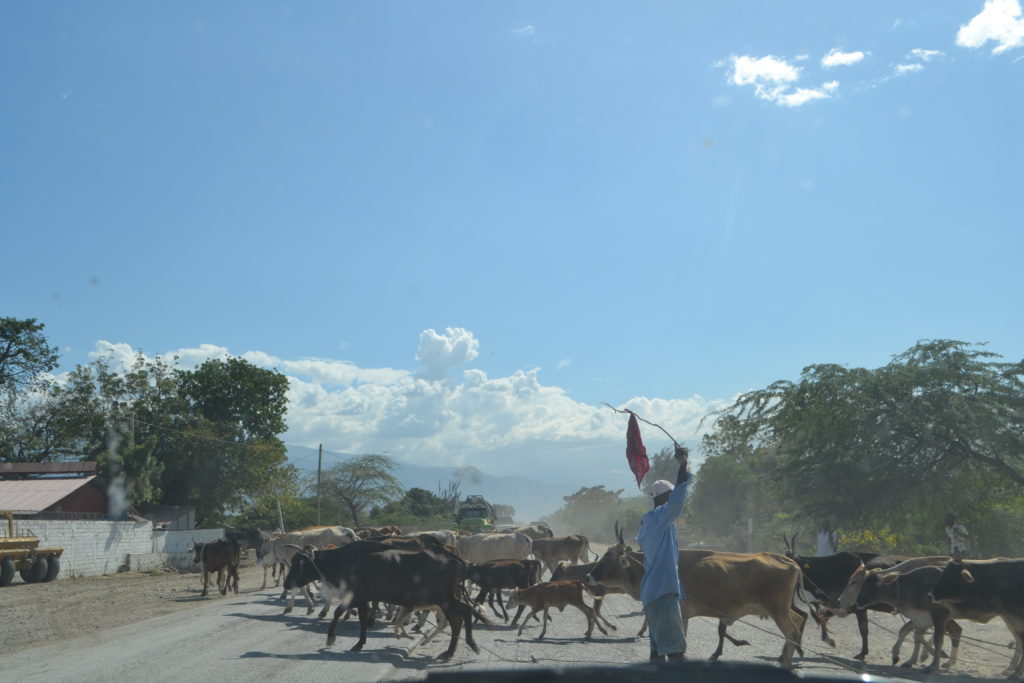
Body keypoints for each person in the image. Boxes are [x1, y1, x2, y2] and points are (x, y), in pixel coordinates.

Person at [636, 444, 690, 662]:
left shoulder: (650, 523)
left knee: (657, 654)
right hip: (663, 597)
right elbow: (677, 501)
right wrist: (683, 465)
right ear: (663, 498)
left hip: (653, 595)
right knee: (677, 654)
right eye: (669, 497)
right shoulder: (660, 519)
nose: (671, 502)